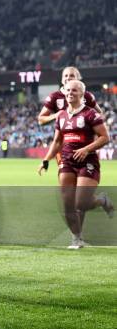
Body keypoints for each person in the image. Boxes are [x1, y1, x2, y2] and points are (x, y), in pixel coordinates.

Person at [38, 79, 113, 249]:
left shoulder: (91, 114)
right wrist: (46, 159)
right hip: (67, 161)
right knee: (67, 204)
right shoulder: (61, 115)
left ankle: (101, 200)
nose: (70, 93)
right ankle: (76, 238)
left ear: (82, 94)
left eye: (74, 91)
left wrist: (86, 149)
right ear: (64, 93)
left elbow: (104, 137)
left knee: (81, 202)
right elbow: (57, 141)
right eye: (68, 90)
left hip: (88, 161)